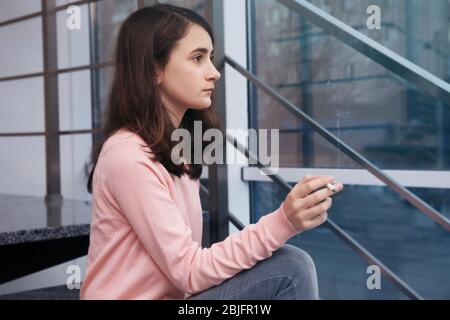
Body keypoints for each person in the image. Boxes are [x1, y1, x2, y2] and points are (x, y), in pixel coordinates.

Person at [80, 3, 343, 300]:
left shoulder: (175, 146)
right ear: (155, 70)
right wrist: (284, 221)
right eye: (197, 58)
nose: (214, 73)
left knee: (291, 263)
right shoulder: (127, 156)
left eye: (211, 58)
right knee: (291, 268)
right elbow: (190, 271)